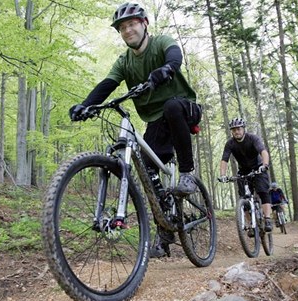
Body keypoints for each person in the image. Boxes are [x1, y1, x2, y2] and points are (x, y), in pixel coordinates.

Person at [68, 3, 202, 258]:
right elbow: (107, 84)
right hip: (155, 121)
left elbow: (174, 55)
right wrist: (85, 106)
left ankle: (186, 174)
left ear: (144, 24)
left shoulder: (161, 42)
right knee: (149, 175)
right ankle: (165, 235)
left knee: (172, 106)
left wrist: (167, 69)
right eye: (122, 27)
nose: (127, 30)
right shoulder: (124, 61)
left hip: (183, 108)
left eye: (132, 24)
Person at [218, 118, 273, 232]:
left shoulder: (253, 138)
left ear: (243, 129)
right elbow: (224, 160)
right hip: (243, 171)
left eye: (238, 129)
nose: (236, 132)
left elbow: (263, 151)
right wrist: (223, 175)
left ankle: (267, 218)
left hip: (258, 168)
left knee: (263, 191)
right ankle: (250, 225)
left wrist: (265, 164)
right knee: (244, 198)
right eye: (233, 130)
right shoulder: (230, 143)